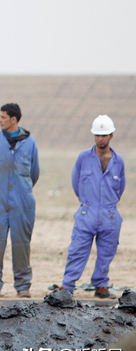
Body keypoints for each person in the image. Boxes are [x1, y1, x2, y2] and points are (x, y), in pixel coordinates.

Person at [60, 115, 125, 299]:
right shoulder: (83, 158)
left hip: (109, 214)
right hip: (87, 211)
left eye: (104, 135)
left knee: (107, 251)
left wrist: (108, 205)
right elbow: (75, 182)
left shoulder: (118, 161)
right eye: (97, 135)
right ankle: (67, 286)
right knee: (78, 249)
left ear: (111, 135)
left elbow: (121, 188)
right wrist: (87, 203)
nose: (100, 139)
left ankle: (101, 285)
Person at [0, 103, 39, 298]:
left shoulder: (30, 142)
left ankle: (23, 286)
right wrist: (0, 190)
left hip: (22, 203)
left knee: (21, 244)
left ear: (13, 120)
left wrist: (21, 191)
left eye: (3, 117)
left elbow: (34, 172)